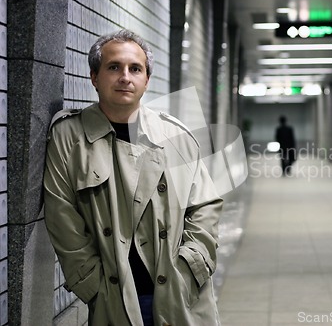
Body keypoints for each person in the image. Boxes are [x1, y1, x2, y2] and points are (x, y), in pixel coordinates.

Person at [43, 29, 223, 326]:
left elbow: (205, 205)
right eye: (114, 67)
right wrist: (91, 283)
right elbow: (62, 216)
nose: (125, 77)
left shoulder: (175, 134)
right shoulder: (69, 136)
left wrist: (192, 266)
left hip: (178, 290)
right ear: (94, 77)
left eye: (135, 69)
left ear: (146, 80)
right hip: (114, 293)